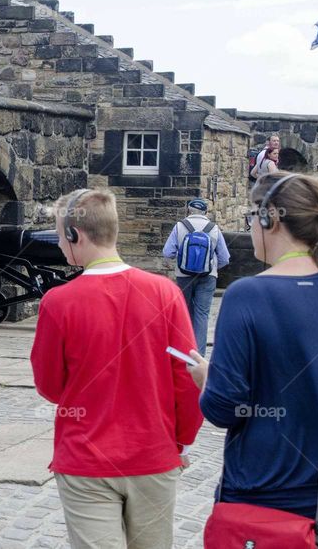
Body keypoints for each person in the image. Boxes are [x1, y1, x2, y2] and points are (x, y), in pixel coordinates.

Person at [31, 188, 203, 549]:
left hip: (86, 457)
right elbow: (187, 380)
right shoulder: (165, 293)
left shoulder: (58, 302)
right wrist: (180, 441)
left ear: (76, 234)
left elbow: (49, 385)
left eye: (60, 235)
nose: (60, 244)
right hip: (153, 455)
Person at [188, 172, 318, 523]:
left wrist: (206, 379)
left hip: (263, 494)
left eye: (251, 216)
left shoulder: (248, 295)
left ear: (269, 218)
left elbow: (224, 408)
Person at [161, 198, 230, 356]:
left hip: (183, 275)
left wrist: (181, 260)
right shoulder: (214, 228)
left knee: (184, 312)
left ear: (188, 210)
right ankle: (198, 355)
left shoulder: (180, 226)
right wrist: (212, 268)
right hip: (208, 276)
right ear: (205, 212)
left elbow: (168, 252)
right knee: (202, 314)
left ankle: (184, 350)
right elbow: (225, 258)